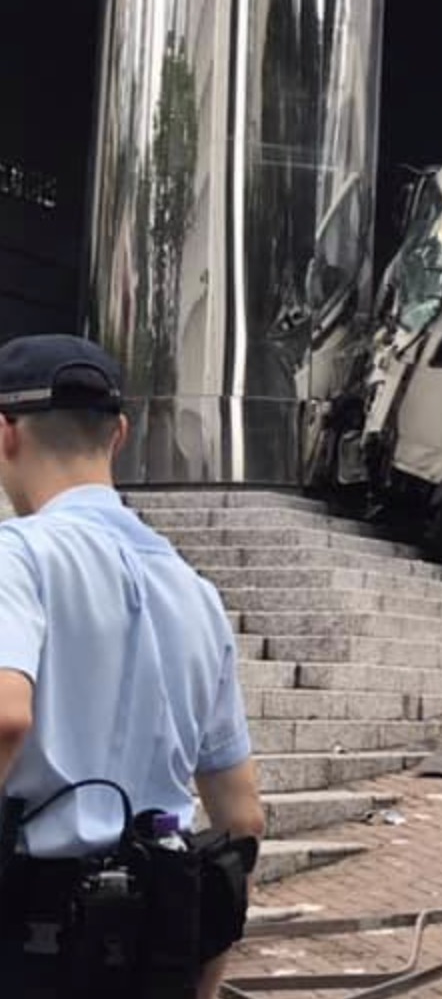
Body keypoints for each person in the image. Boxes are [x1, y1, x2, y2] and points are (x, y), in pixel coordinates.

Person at [0, 336, 266, 998]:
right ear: (118, 436)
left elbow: (6, 716)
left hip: (32, 937)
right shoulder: (197, 594)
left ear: (5, 434)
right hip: (155, 944)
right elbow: (242, 823)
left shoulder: (18, 558)